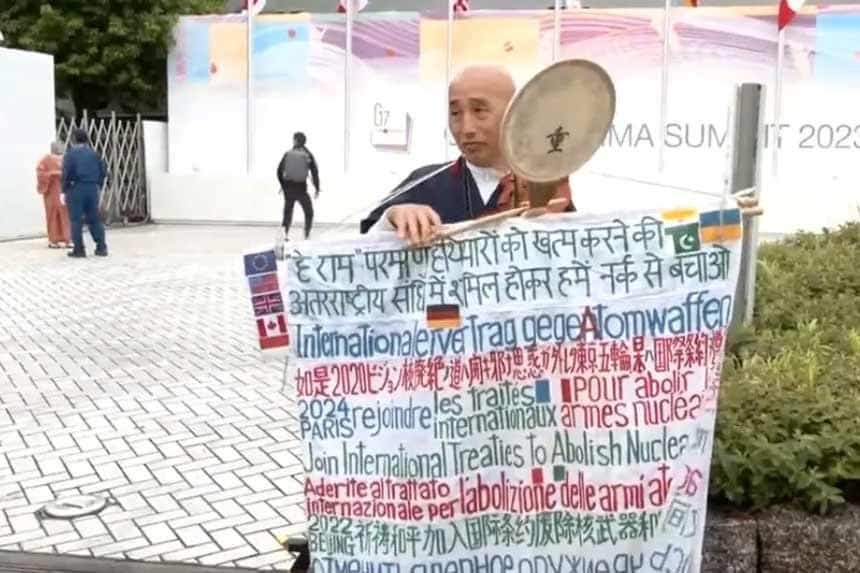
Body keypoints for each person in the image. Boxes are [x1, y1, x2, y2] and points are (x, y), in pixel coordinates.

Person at [360, 64, 573, 245]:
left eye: (479, 111)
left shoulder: (542, 186)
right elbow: (361, 246)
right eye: (455, 113)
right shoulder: (425, 184)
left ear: (514, 114)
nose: (466, 128)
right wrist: (392, 218)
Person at [63, 128, 108, 258]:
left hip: (76, 188)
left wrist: (64, 189)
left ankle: (79, 249)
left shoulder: (70, 155)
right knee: (94, 218)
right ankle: (101, 247)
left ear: (74, 139)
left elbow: (67, 173)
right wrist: (97, 184)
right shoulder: (94, 154)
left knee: (76, 219)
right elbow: (103, 171)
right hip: (92, 188)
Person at [277, 132, 320, 241]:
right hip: (301, 189)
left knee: (287, 213)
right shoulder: (308, 155)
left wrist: (283, 185)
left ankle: (284, 236)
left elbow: (279, 171)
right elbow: (314, 172)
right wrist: (317, 187)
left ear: (295, 140)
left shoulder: (288, 154)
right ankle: (306, 234)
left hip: (288, 189)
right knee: (309, 212)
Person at [36, 141, 72, 249]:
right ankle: (60, 239)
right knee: (59, 214)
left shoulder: (62, 158)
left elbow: (40, 172)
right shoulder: (51, 159)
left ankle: (60, 239)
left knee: (59, 214)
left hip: (58, 190)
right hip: (57, 189)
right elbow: (40, 171)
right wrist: (54, 174)